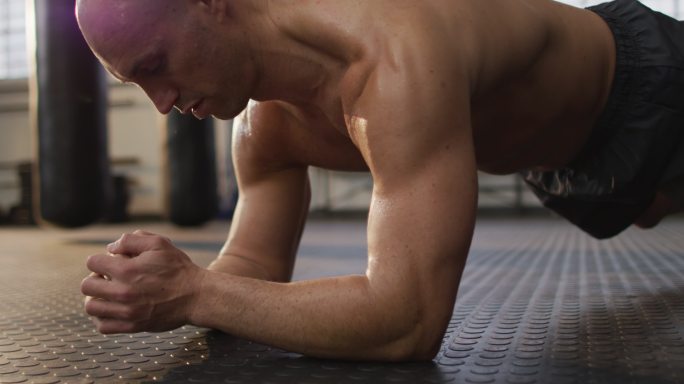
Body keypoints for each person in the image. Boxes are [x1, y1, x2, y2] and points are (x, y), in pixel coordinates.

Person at [76, 0, 684, 361]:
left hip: (646, 86)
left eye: (156, 66)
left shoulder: (389, 56)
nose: (161, 104)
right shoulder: (263, 129)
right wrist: (170, 283)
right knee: (650, 209)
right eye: (138, 84)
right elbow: (252, 267)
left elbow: (408, 321)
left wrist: (194, 293)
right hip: (555, 161)